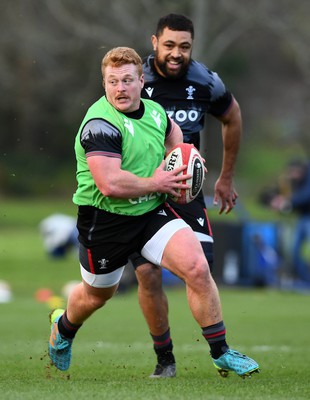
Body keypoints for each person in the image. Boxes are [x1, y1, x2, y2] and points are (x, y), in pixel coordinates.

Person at [48, 46, 259, 379]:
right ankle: (63, 328)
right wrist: (160, 181)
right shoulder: (99, 124)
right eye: (112, 81)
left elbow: (173, 134)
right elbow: (109, 184)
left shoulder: (155, 112)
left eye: (127, 80)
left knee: (196, 267)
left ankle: (221, 352)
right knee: (97, 294)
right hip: (105, 222)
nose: (120, 88)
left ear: (140, 81)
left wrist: (185, 157)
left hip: (148, 214)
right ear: (104, 84)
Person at [129, 13, 245, 377]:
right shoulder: (136, 81)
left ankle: (219, 350)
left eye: (184, 47)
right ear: (154, 43)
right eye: (169, 45)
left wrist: (225, 178)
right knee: (147, 275)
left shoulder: (206, 81)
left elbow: (232, 117)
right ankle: (165, 360)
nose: (176, 54)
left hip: (186, 189)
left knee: (200, 270)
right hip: (143, 191)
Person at [270, 159, 310, 285]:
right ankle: (306, 281)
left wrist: (288, 201)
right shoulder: (296, 181)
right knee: (294, 251)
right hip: (302, 217)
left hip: (307, 218)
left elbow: (306, 196)